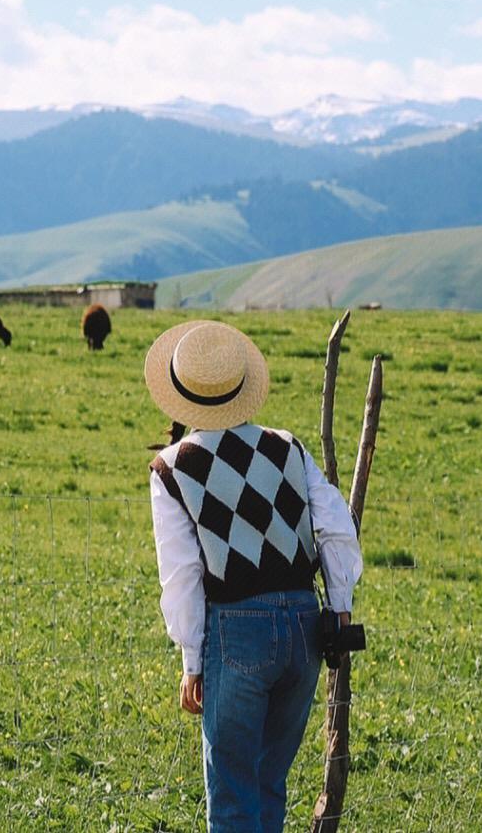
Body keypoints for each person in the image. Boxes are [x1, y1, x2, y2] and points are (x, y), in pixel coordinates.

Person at [145, 319, 363, 832]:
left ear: (180, 394)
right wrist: (338, 607)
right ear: (242, 385)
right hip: (305, 625)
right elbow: (335, 526)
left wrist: (191, 661)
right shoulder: (288, 447)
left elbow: (182, 577)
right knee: (269, 786)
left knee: (233, 799)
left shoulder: (174, 467)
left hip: (237, 631)